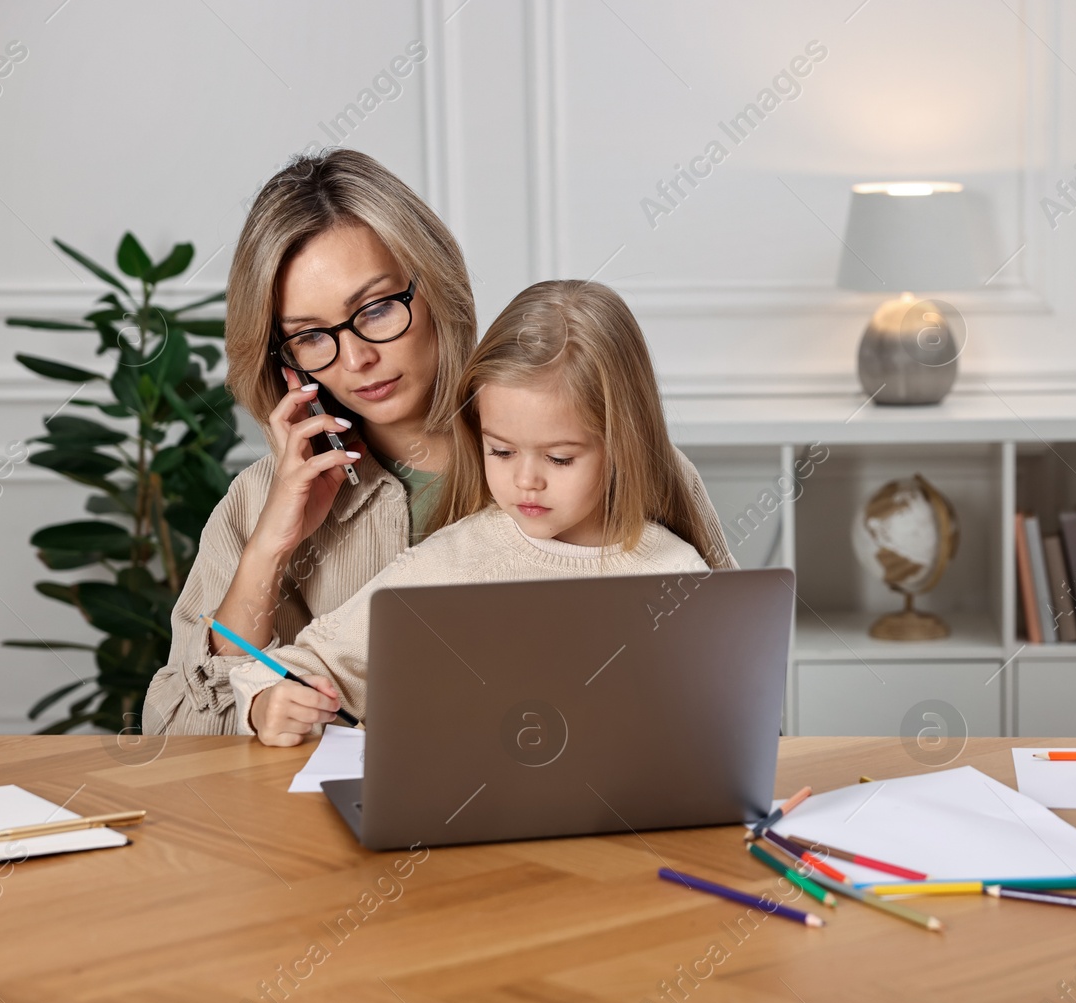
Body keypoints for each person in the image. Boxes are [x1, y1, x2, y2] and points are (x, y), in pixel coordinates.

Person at [146, 151, 731, 735]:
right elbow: (174, 736)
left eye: (374, 310)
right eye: (310, 336)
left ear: (434, 283)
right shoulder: (259, 500)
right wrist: (268, 551)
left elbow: (732, 687)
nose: (356, 358)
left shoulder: (620, 466)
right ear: (287, 360)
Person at [233, 280, 727, 744]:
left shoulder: (677, 574)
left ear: (623, 444)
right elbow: (299, 665)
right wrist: (267, 702)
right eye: (501, 451)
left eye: (559, 458)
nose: (526, 480)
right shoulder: (455, 561)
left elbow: (725, 723)